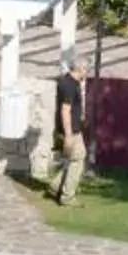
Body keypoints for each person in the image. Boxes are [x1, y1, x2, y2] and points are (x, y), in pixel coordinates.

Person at [52, 54, 88, 206]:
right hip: (70, 129)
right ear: (81, 68)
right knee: (78, 159)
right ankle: (68, 196)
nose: (87, 73)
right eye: (87, 70)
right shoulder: (70, 86)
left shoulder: (67, 81)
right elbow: (65, 110)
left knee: (74, 158)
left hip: (72, 128)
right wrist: (68, 135)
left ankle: (55, 186)